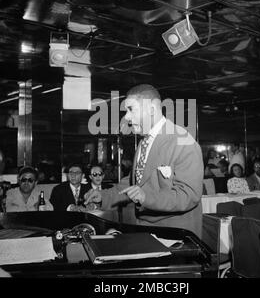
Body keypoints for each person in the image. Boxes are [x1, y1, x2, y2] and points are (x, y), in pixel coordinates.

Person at [84, 84, 204, 237]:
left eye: (131, 109)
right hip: (146, 230)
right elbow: (136, 183)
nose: (126, 117)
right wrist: (104, 196)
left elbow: (188, 195)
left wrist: (145, 197)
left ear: (152, 109)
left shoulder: (183, 141)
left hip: (174, 234)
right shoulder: (144, 142)